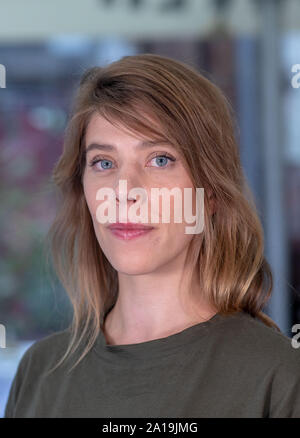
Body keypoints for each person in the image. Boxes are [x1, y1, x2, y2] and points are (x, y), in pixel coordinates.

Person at [4, 53, 300, 418]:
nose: (124, 190)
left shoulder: (280, 377)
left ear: (211, 194)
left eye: (160, 159)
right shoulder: (39, 372)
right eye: (104, 163)